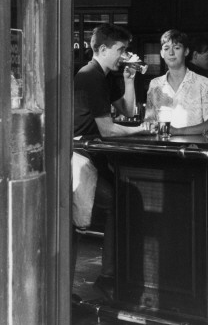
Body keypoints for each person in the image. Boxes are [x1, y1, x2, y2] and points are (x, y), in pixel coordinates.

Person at [73, 24, 151, 304]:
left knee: (115, 204)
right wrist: (145, 130)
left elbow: (127, 110)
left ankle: (104, 278)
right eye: (120, 50)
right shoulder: (90, 76)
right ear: (103, 49)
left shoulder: (102, 76)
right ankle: (108, 278)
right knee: (119, 202)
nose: (124, 55)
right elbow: (108, 130)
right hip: (80, 159)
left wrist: (130, 80)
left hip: (92, 158)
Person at [145, 29, 208, 135]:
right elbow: (149, 121)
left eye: (176, 48)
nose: (171, 53)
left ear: (186, 51)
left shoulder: (204, 83)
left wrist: (177, 131)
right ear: (162, 53)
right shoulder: (155, 84)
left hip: (193, 148)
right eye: (166, 48)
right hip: (162, 148)